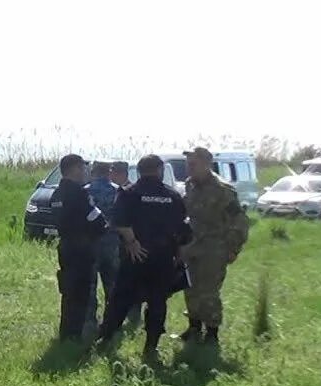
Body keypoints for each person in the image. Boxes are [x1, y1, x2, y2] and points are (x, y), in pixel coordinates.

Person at [97, 155, 191, 359]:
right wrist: (179, 257)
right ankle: (151, 346)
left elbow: (118, 221)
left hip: (135, 255)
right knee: (157, 302)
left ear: (139, 171)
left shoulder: (130, 193)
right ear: (160, 170)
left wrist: (132, 242)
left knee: (120, 299)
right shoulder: (172, 195)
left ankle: (105, 339)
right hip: (163, 257)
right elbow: (183, 230)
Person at [177, 147, 249, 344]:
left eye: (193, 164)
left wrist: (233, 248)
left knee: (208, 291)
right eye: (188, 164)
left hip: (214, 248)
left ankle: (211, 333)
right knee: (190, 289)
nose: (189, 168)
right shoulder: (190, 185)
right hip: (192, 246)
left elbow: (239, 221)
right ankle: (194, 327)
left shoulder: (223, 190)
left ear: (206, 164)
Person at [53, 153, 108, 341]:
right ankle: (79, 332)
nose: (85, 171)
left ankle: (66, 330)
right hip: (82, 247)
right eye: (83, 168)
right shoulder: (79, 193)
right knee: (82, 292)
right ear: (75, 169)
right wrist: (101, 228)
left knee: (68, 290)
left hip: (65, 246)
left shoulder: (56, 193)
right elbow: (96, 219)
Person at [84, 161, 140, 332]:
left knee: (90, 285)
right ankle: (114, 320)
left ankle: (90, 322)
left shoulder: (85, 190)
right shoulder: (119, 191)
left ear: (93, 171)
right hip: (114, 243)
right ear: (109, 172)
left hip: (90, 243)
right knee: (114, 283)